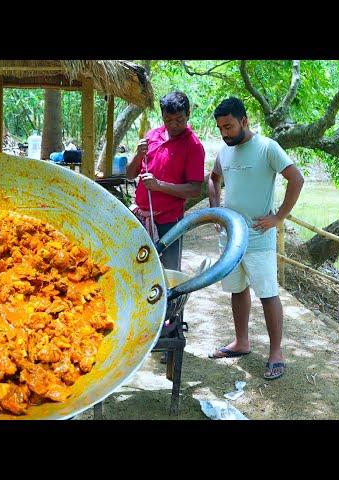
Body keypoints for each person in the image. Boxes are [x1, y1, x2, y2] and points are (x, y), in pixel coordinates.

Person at [207, 97, 304, 380]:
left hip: (260, 235)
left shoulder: (267, 148)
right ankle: (242, 342)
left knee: (268, 294)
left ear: (244, 121)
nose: (224, 133)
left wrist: (278, 217)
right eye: (220, 128)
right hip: (231, 238)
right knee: (238, 290)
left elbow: (296, 179)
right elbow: (213, 179)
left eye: (229, 126)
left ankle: (276, 353)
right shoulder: (224, 153)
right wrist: (216, 210)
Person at [126, 91, 206, 271]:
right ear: (162, 116)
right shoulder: (152, 135)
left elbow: (194, 190)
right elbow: (130, 174)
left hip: (169, 220)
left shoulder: (193, 146)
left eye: (179, 120)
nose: (174, 125)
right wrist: (138, 155)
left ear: (188, 115)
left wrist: (159, 185)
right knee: (139, 266)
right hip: (141, 216)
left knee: (170, 270)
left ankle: (171, 300)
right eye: (168, 120)